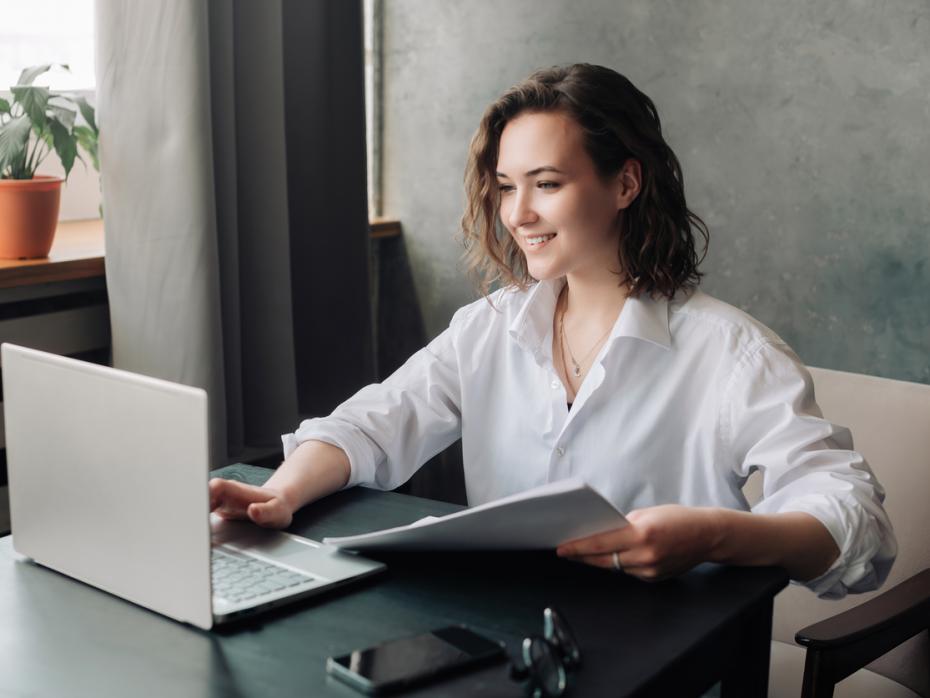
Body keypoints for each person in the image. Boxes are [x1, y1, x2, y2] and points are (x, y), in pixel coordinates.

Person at [209, 63, 895, 598]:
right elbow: (372, 423)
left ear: (625, 184)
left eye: (546, 184)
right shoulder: (489, 330)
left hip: (672, 655)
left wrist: (716, 534)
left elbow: (853, 517)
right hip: (506, 642)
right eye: (506, 187)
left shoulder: (731, 354)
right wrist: (282, 492)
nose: (518, 214)